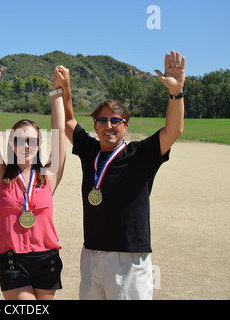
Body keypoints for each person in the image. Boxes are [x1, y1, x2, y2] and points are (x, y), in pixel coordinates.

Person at [59, 51, 186, 299]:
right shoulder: (90, 150)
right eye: (102, 120)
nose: (109, 126)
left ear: (126, 126)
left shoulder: (141, 153)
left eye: (116, 120)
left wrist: (176, 92)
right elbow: (68, 121)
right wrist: (66, 87)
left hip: (128, 257)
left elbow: (174, 130)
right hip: (91, 253)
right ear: (95, 125)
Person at [0, 65, 66, 300]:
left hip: (46, 259)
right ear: (11, 144)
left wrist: (56, 93)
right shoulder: (1, 175)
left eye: (31, 140)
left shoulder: (48, 176)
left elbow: (59, 131)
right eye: (19, 140)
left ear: (39, 145)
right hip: (12, 261)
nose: (25, 145)